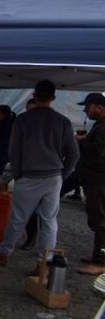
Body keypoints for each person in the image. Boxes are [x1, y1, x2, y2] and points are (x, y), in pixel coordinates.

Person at [0, 80, 79, 272]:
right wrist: (62, 175)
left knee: (18, 218)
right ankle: (43, 263)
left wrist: (18, 174)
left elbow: (14, 151)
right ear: (53, 98)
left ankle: (3, 254)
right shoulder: (63, 121)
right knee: (49, 222)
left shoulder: (23, 119)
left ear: (34, 96)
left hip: (28, 176)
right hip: (53, 177)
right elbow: (74, 154)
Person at [74, 93, 105, 275]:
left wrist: (82, 141)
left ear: (99, 107)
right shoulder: (99, 125)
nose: (85, 110)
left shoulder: (103, 127)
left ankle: (101, 262)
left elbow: (97, 151)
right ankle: (97, 256)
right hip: (95, 179)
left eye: (87, 107)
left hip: (99, 180)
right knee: (97, 219)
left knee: (100, 221)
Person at [20, 98, 39, 251]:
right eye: (28, 111)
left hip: (46, 176)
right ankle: (31, 238)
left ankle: (45, 252)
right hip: (26, 174)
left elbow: (71, 153)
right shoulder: (22, 125)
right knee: (28, 210)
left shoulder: (52, 126)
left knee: (45, 215)